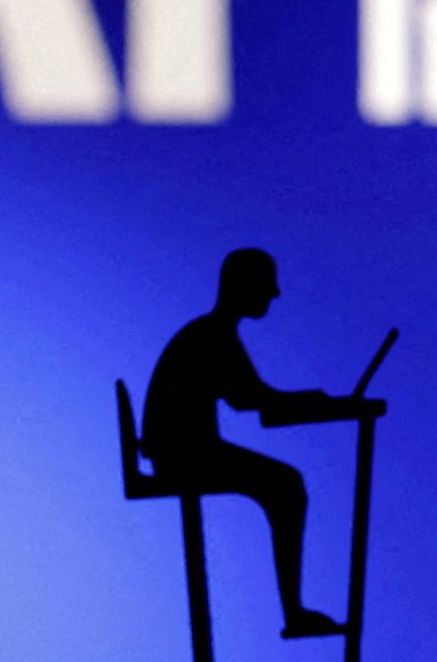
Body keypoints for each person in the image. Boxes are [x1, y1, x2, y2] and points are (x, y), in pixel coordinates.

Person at [142, 247, 344, 639]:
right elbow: (249, 398)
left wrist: (309, 402)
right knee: (286, 486)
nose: (275, 293)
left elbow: (249, 397)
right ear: (243, 286)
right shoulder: (212, 335)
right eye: (267, 283)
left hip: (184, 450)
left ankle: (294, 610)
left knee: (285, 485)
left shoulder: (214, 332)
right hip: (184, 455)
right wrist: (313, 401)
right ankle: (294, 612)